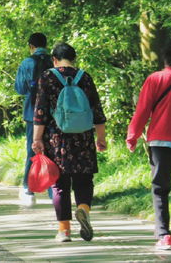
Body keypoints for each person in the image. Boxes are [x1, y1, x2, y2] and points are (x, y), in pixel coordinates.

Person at [126, 38, 171, 253]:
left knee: (160, 189)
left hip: (160, 142)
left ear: (166, 58)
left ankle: (164, 236)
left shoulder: (155, 79)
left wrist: (133, 135)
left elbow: (143, 110)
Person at [32, 43, 107, 243]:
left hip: (56, 139)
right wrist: (101, 137)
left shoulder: (47, 77)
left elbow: (40, 111)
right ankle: (83, 209)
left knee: (60, 185)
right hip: (83, 137)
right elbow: (97, 111)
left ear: (54, 60)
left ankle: (64, 230)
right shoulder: (85, 77)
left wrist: (37, 139)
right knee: (84, 180)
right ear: (73, 59)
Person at [15, 32, 53, 205]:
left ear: (31, 46)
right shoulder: (55, 61)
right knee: (53, 149)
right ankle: (55, 191)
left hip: (32, 113)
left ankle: (28, 189)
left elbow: (20, 89)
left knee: (33, 150)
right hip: (53, 114)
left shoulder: (27, 63)